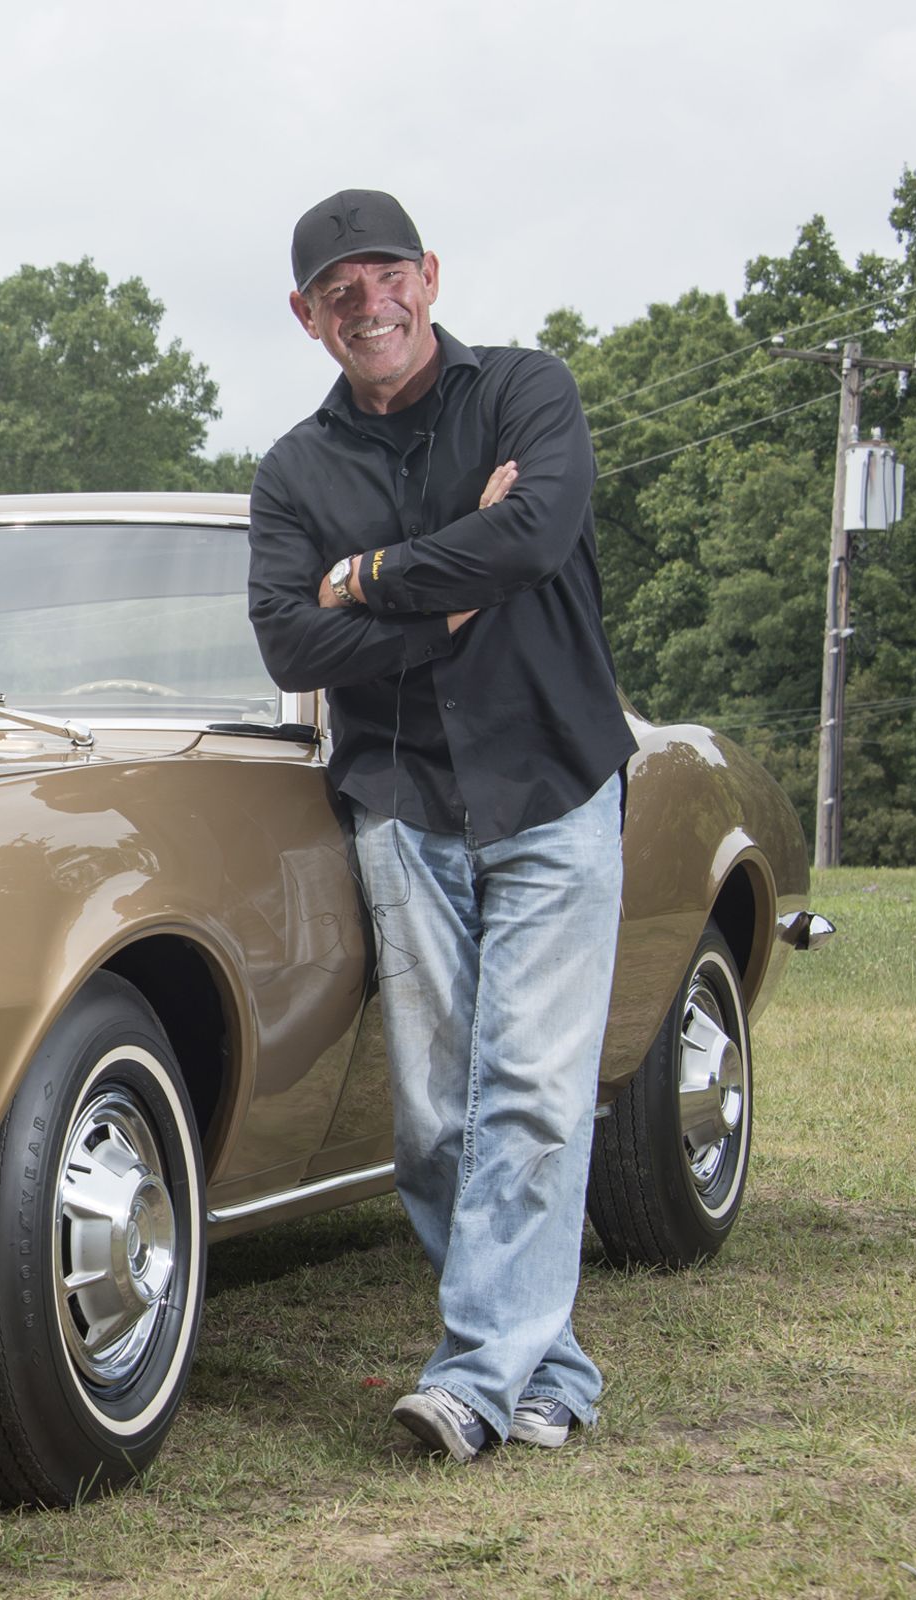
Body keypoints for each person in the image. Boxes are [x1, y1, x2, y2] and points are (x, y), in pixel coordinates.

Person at [245, 188, 634, 1461]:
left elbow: (531, 534)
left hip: (553, 783)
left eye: (383, 277)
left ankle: (471, 1377)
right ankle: (548, 1366)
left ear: (427, 273)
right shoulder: (294, 471)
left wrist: (369, 578)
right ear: (306, 319)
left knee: (527, 1088)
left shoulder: (526, 390)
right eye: (337, 293)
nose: (370, 307)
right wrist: (444, 594)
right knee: (429, 1112)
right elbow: (289, 638)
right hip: (402, 801)